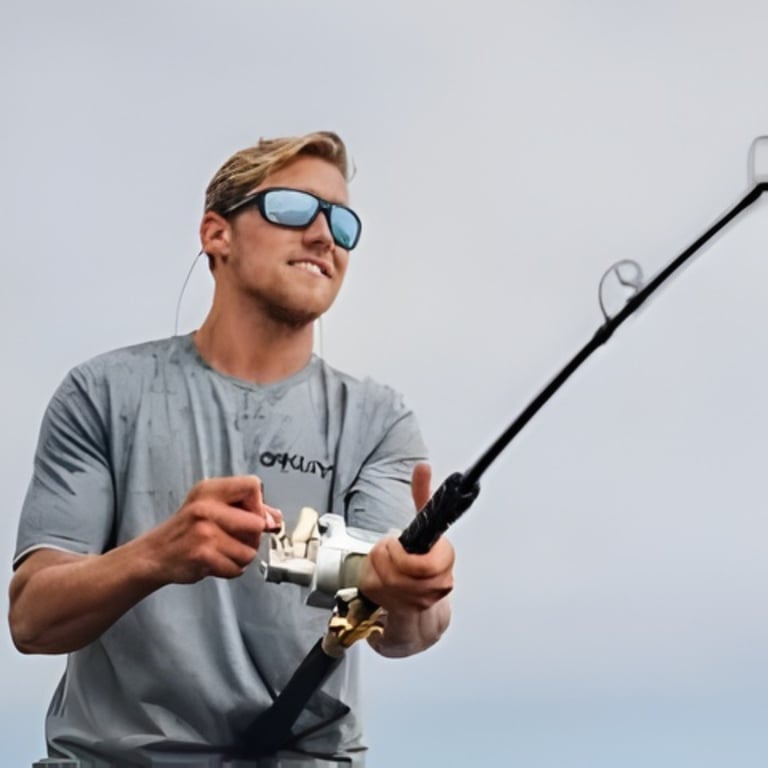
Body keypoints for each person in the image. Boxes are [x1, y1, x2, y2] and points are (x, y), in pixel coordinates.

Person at [8, 131, 455, 768]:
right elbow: (31, 619)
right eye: (294, 209)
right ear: (217, 234)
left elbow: (404, 631)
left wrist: (417, 590)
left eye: (343, 222)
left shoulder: (379, 420)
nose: (324, 236)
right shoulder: (101, 393)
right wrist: (156, 555)